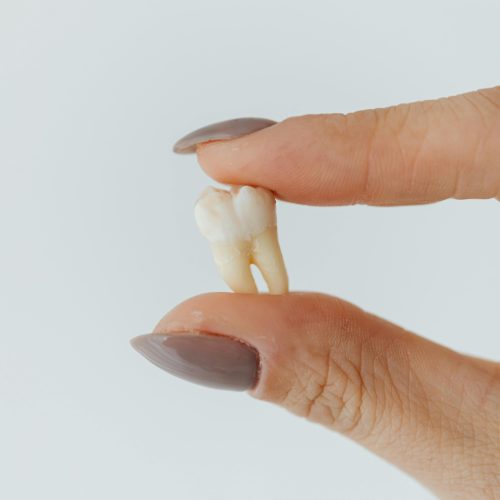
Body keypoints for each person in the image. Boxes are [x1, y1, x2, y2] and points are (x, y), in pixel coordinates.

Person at [132, 86, 500, 498]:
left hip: (247, 226)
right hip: (241, 228)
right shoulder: (219, 211)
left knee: (270, 286)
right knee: (265, 287)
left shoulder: (234, 209)